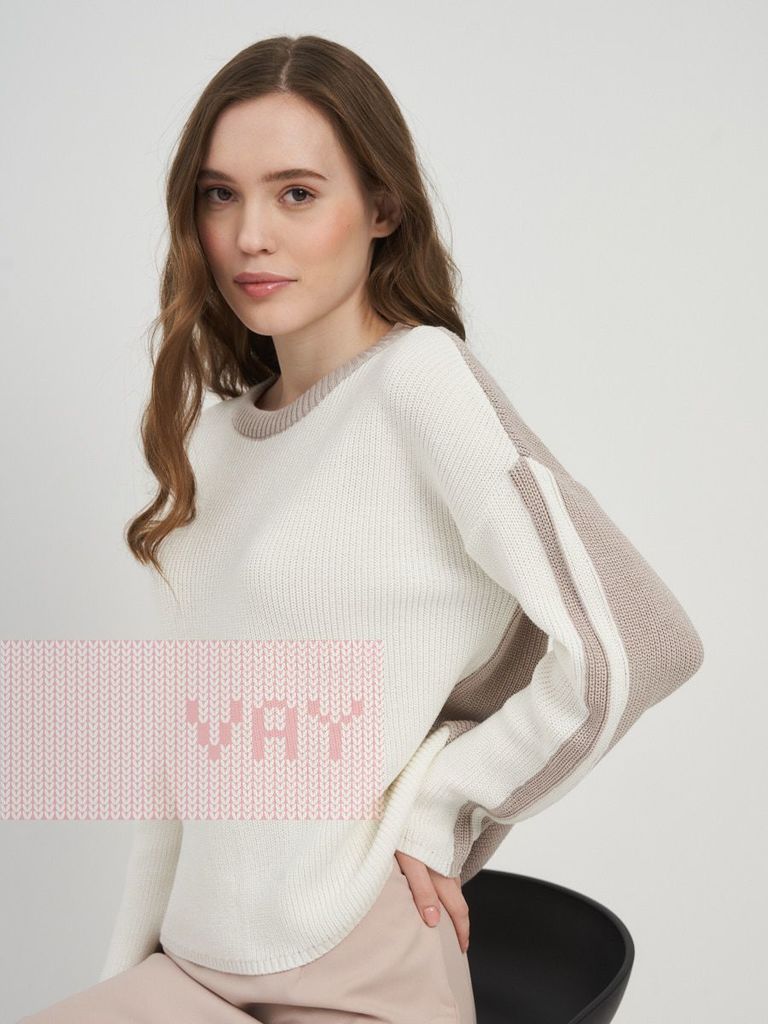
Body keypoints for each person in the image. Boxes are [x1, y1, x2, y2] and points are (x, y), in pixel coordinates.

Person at [19, 33, 705, 1024]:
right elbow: (179, 756)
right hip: (197, 962)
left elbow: (640, 640)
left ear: (382, 207)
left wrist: (442, 807)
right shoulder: (213, 443)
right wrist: (124, 970)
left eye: (296, 193)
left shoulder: (418, 383)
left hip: (360, 967)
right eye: (220, 195)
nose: (250, 234)